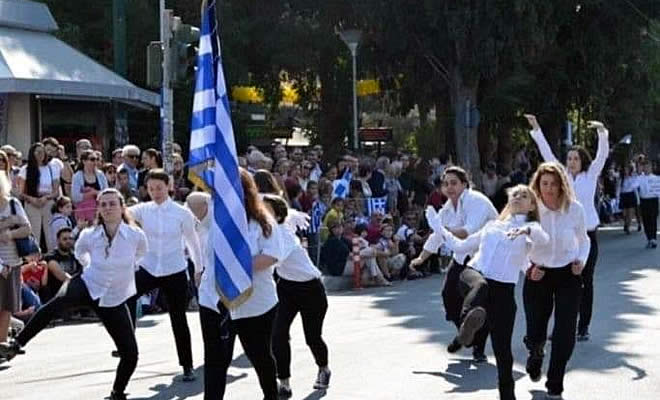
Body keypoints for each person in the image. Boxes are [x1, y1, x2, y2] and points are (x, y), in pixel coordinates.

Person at [0, 188, 148, 400]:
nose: (107, 208)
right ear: (99, 208)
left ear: (122, 207)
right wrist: (91, 268)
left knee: (130, 354)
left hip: (114, 296)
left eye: (112, 204)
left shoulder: (135, 236)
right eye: (103, 204)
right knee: (55, 304)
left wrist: (122, 273)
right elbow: (80, 253)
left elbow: (141, 255)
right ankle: (17, 344)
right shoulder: (90, 234)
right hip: (88, 283)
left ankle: (117, 392)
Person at [426, 185, 549, 400]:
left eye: (524, 196)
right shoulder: (492, 226)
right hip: (473, 275)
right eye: (514, 195)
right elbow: (462, 246)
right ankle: (467, 327)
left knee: (503, 354)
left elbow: (541, 241)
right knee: (480, 287)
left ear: (531, 205)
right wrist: (438, 227)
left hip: (503, 291)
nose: (518, 198)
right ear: (509, 202)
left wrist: (527, 231)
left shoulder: (530, 232)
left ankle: (507, 396)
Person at [198, 168, 283, 400]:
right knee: (216, 360)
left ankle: (271, 395)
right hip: (214, 299)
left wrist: (234, 268)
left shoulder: (262, 220)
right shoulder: (213, 213)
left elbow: (271, 256)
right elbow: (192, 200)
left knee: (259, 355)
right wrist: (212, 182)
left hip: (254, 302)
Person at [525, 115, 608, 342]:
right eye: (569, 158)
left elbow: (602, 156)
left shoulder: (590, 176)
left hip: (587, 234)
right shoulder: (561, 177)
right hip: (564, 236)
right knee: (558, 281)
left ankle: (583, 326)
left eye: (575, 158)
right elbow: (547, 155)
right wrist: (536, 128)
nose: (571, 162)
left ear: (582, 161)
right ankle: (560, 327)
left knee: (585, 279)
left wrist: (602, 132)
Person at [410, 166, 498, 362]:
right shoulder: (448, 208)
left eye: (454, 183)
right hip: (462, 256)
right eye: (446, 184)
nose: (449, 187)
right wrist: (421, 259)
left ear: (464, 184)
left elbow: (467, 231)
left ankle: (478, 348)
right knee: (448, 295)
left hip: (485, 258)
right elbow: (436, 236)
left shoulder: (477, 201)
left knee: (477, 301)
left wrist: (441, 228)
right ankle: (467, 334)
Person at [125, 169, 204, 381]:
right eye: (151, 189)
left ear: (168, 186)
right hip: (148, 267)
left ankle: (187, 365)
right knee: (126, 296)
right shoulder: (143, 209)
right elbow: (124, 213)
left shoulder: (181, 213)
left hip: (174, 269)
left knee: (178, 318)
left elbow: (193, 242)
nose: (155, 192)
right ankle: (126, 342)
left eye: (159, 188)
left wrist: (198, 269)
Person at [522, 162, 590, 399]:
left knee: (565, 330)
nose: (549, 189)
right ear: (537, 186)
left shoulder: (575, 209)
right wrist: (528, 268)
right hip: (537, 273)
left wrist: (581, 259)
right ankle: (535, 350)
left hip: (567, 273)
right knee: (535, 328)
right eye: (544, 184)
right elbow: (517, 245)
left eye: (554, 184)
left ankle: (555, 379)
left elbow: (584, 240)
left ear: (562, 185)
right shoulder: (530, 210)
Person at [261, 194, 331, 398]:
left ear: (278, 215)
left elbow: (272, 259)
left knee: (312, 336)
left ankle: (324, 368)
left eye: (266, 210)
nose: (261, 214)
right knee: (278, 334)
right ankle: (284, 382)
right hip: (286, 289)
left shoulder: (284, 235)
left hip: (311, 289)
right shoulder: (269, 231)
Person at [0, 171, 32, 348]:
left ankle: (2, 344)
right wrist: (6, 223)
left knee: (7, 306)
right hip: (0, 264)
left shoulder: (13, 204)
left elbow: (27, 229)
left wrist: (10, 233)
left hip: (13, 261)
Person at [17, 143, 61, 252]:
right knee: (34, 233)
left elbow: (56, 191)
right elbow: (21, 192)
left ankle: (52, 257)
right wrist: (32, 199)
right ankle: (34, 261)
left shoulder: (51, 168)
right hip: (31, 203)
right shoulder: (25, 169)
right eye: (37, 151)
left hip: (47, 202)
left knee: (50, 234)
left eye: (42, 152)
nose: (40, 154)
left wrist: (46, 198)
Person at [71, 149, 109, 224]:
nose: (95, 162)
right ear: (84, 161)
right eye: (92, 159)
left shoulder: (100, 174)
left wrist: (94, 192)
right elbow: (75, 197)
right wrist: (91, 194)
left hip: (100, 211)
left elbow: (106, 192)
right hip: (83, 214)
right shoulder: (77, 176)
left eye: (97, 159)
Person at [637, 160, 659, 248]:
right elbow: (633, 186)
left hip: (653, 200)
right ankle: (649, 238)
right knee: (646, 220)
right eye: (645, 167)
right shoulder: (639, 178)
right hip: (644, 201)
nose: (647, 168)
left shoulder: (656, 178)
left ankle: (653, 238)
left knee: (653, 219)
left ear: (651, 168)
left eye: (648, 167)